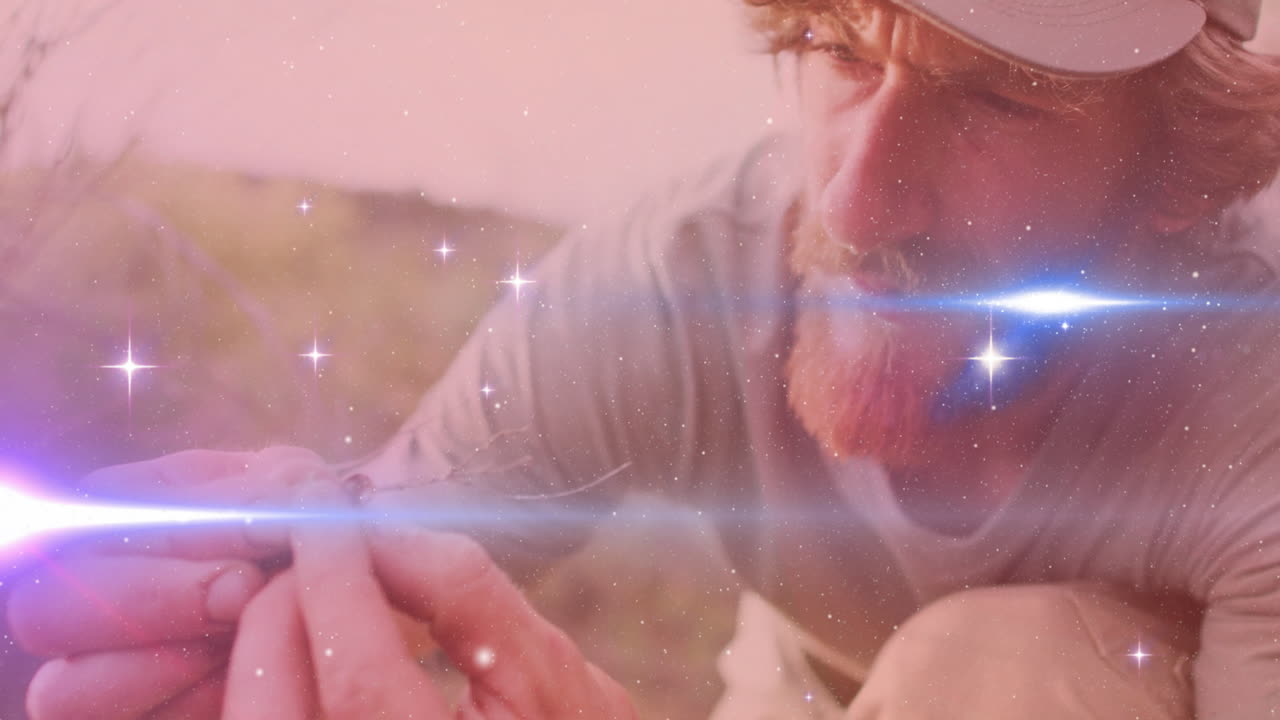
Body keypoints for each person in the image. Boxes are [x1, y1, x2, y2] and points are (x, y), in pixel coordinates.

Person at [8, 0, 1280, 717]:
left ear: (1175, 173)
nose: (856, 199)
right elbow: (377, 571)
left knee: (1004, 671)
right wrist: (226, 610)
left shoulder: (1255, 404)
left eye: (999, 100)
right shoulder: (679, 275)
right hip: (791, 694)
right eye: (836, 48)